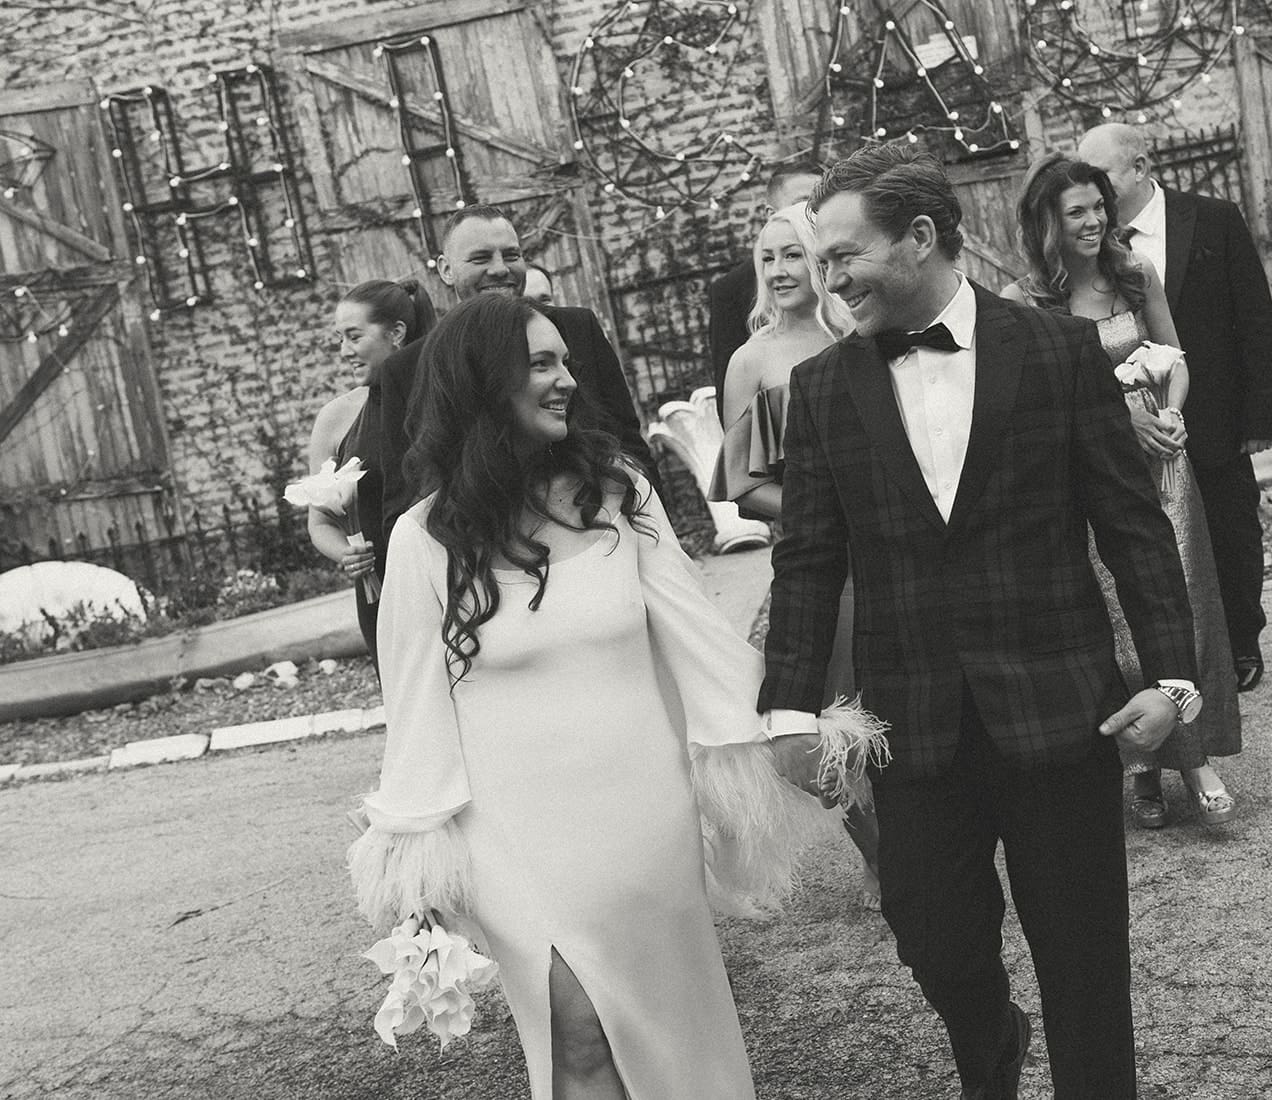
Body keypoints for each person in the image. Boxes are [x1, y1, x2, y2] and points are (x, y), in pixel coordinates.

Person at [758, 144, 1201, 1099]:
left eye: (842, 256)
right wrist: (787, 709)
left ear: (920, 238)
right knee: (934, 938)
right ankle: (990, 1039)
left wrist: (1174, 680)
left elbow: (1132, 528)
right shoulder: (826, 391)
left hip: (1061, 716)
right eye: (819, 262)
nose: (828, 280)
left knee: (1086, 966)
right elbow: (807, 558)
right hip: (913, 730)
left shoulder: (1056, 353)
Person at [347, 294, 855, 1099]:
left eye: (566, 363)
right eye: (542, 365)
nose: (566, 382)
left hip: (642, 825)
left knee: (675, 1042)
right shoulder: (421, 539)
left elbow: (698, 633)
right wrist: (415, 865)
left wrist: (785, 728)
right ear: (486, 382)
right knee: (575, 1035)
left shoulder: (619, 495)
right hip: (512, 838)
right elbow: (415, 707)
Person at [1001, 154, 1241, 828]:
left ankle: (1193, 760)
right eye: (1076, 211)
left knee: (1183, 600)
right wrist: (1119, 422)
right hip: (1085, 478)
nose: (1094, 219)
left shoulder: (1135, 275)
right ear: (1048, 222)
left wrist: (1170, 416)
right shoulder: (1025, 304)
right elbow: (1034, 402)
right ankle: (1139, 765)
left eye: (1098, 206)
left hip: (1163, 465)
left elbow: (1175, 357)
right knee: (1112, 619)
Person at [708, 202, 883, 908]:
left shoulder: (865, 337)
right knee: (832, 717)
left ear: (819, 259)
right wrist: (829, 510)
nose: (779, 271)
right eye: (766, 259)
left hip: (892, 552)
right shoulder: (751, 362)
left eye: (791, 254)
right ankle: (879, 856)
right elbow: (742, 487)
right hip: (818, 566)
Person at [1077, 122, 1272, 694]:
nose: (1093, 193)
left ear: (1140, 169)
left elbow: (1254, 318)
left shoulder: (1213, 219)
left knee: (1231, 528)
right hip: (1131, 426)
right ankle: (1175, 654)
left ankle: (1243, 641)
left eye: (1104, 177)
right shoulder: (1087, 251)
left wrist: (1261, 417)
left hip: (1213, 412)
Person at [373, 203, 659, 552]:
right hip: (483, 557)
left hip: (598, 538)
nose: (500, 269)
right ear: (446, 270)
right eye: (480, 258)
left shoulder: (577, 329)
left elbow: (629, 444)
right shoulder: (406, 368)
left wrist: (652, 540)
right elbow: (402, 499)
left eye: (511, 255)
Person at [302, 279, 435, 662]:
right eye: (339, 339)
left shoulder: (435, 402)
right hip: (380, 596)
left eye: (353, 336)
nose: (344, 351)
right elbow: (320, 523)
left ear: (396, 333)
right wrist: (346, 553)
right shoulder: (335, 418)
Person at [706, 161, 824, 413]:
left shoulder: (851, 272)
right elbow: (738, 418)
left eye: (821, 204)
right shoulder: (732, 292)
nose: (813, 213)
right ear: (770, 214)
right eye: (803, 204)